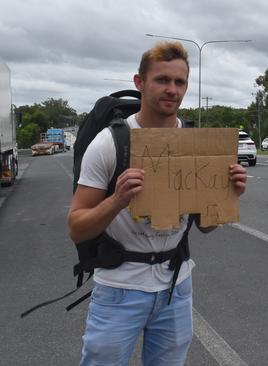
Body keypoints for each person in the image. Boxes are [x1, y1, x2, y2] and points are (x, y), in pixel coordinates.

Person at [68, 41, 247, 365]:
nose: (171, 89)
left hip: (175, 287)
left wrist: (224, 196)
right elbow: (77, 228)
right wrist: (117, 200)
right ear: (140, 82)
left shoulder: (196, 144)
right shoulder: (111, 143)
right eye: (162, 80)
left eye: (179, 82)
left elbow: (204, 227)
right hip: (118, 289)